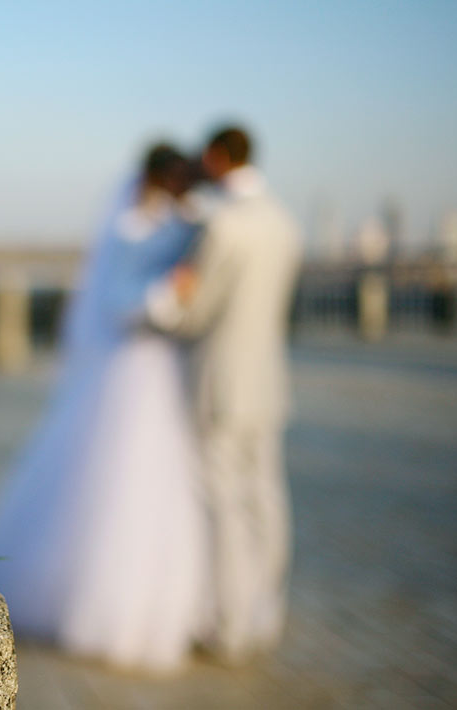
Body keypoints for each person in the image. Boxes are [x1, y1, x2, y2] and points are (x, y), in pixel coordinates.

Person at [0, 144, 209, 673]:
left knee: (151, 489)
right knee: (117, 483)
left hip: (152, 369)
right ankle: (106, 610)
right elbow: (121, 303)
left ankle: (152, 607)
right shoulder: (129, 227)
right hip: (131, 369)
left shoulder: (160, 221)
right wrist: (172, 293)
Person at [147, 125, 302, 663]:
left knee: (225, 508)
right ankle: (268, 613)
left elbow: (195, 315)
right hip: (268, 382)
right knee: (267, 499)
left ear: (217, 157)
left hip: (219, 384)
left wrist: (162, 310)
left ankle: (232, 627)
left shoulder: (223, 225)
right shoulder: (284, 220)